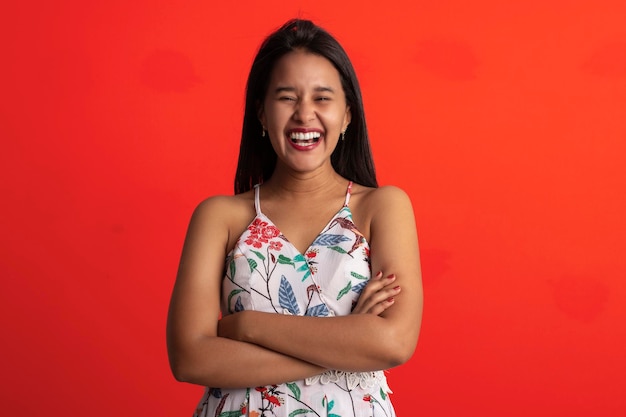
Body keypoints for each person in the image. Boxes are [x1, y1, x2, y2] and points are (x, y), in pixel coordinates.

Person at [167, 18, 423, 417]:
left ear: (348, 114)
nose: (305, 114)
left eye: (322, 98)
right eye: (287, 97)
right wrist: (348, 345)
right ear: (262, 114)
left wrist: (247, 326)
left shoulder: (381, 208)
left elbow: (394, 342)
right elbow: (190, 358)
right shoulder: (220, 217)